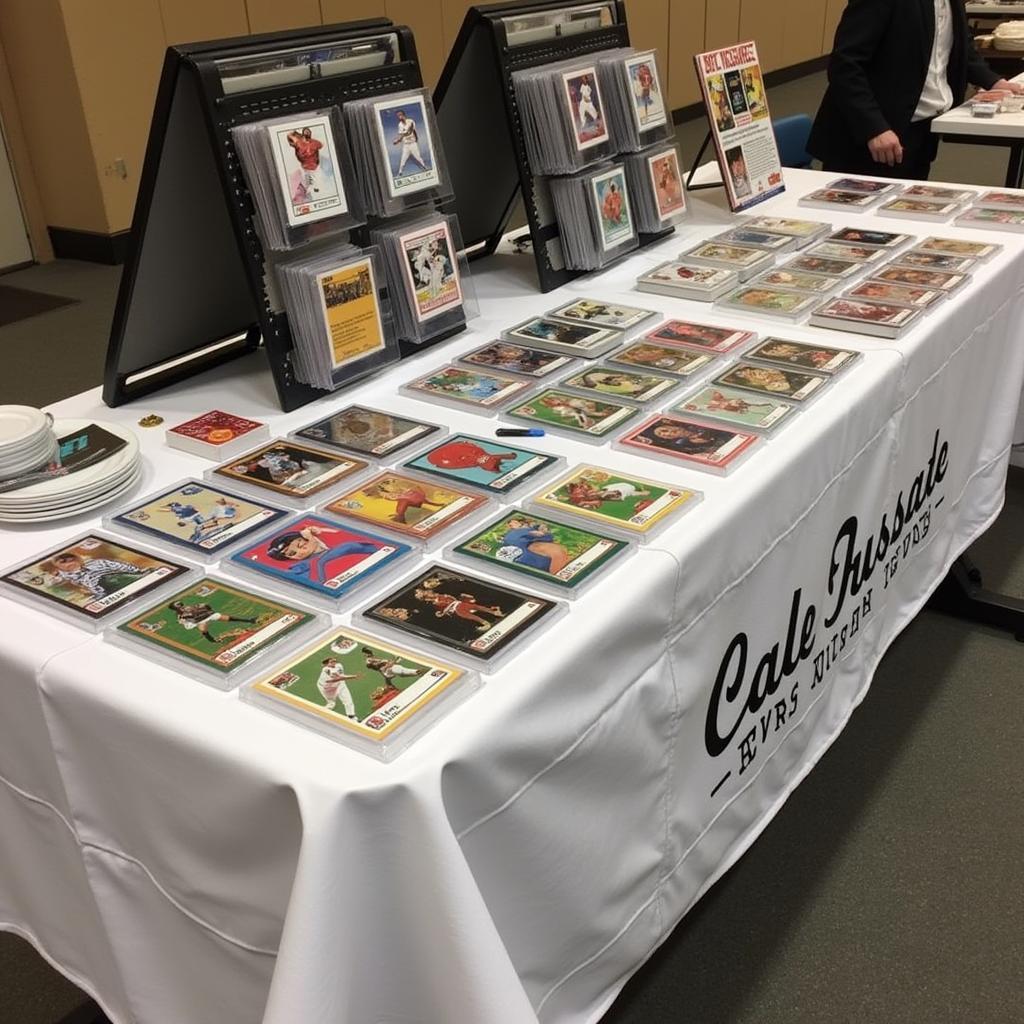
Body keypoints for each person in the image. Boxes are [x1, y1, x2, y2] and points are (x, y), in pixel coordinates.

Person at [809, 0, 1024, 179]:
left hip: (922, 129)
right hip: (870, 138)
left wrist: (996, 83)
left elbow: (960, 47)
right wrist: (873, 128)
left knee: (905, 217)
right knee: (856, 224)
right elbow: (845, 65)